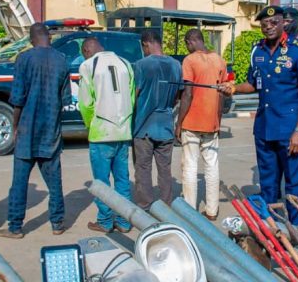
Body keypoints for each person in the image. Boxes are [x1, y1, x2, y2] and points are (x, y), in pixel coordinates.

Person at [219, 5, 298, 225]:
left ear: (284, 23)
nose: (268, 27)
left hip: (290, 129)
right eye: (264, 24)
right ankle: (274, 227)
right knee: (268, 184)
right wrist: (232, 87)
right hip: (264, 128)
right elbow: (252, 84)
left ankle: (297, 230)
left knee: (293, 184)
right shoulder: (257, 51)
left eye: (273, 23)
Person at [0, 23, 70, 239]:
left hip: (27, 130)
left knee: (19, 182)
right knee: (55, 181)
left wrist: (16, 126)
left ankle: (15, 227)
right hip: (50, 131)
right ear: (49, 37)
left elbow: (18, 97)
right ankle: (57, 223)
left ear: (31, 39)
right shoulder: (62, 60)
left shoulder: (24, 59)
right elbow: (64, 99)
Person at [78, 37, 135, 233]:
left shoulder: (88, 65)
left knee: (102, 182)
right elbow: (132, 97)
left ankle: (105, 221)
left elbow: (85, 103)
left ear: (86, 50)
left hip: (101, 133)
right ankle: (125, 221)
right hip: (123, 131)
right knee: (122, 180)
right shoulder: (125, 64)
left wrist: (90, 124)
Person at [175, 29, 227, 221]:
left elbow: (187, 94)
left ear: (190, 41)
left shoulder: (189, 61)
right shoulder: (220, 60)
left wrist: (179, 123)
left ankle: (190, 212)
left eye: (187, 43)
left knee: (189, 165)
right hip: (212, 122)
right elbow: (221, 95)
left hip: (192, 122)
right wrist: (218, 121)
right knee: (212, 166)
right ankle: (212, 211)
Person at [132, 30, 182, 210]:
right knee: (165, 169)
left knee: (143, 169)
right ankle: (166, 206)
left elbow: (135, 96)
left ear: (146, 44)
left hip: (144, 126)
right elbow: (177, 95)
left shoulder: (141, 65)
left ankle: (145, 206)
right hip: (166, 125)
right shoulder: (176, 65)